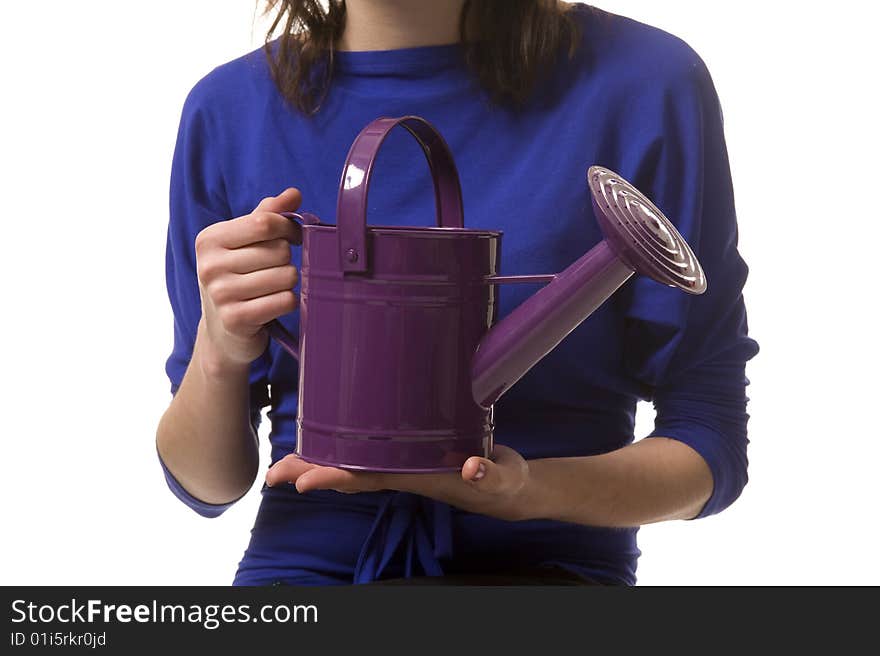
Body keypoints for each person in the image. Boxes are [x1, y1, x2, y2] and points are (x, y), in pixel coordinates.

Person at [155, 0, 759, 586]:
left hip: (549, 573)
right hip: (301, 573)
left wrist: (527, 492)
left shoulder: (645, 82)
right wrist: (220, 351)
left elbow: (709, 444)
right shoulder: (227, 109)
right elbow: (205, 486)